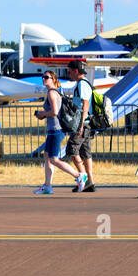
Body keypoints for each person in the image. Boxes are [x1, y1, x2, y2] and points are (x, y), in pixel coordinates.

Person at [33, 71, 83, 194]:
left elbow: (55, 112)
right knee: (47, 157)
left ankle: (78, 176)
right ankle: (47, 186)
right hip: (53, 129)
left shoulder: (51, 93)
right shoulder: (55, 92)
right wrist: (44, 115)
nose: (43, 79)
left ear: (53, 79)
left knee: (54, 159)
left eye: (46, 77)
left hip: (56, 129)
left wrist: (42, 114)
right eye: (43, 77)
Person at [63, 60, 95, 192]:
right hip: (86, 123)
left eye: (69, 71)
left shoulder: (82, 85)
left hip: (82, 123)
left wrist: (80, 125)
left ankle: (84, 179)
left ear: (76, 71)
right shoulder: (84, 83)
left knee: (71, 150)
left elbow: (85, 104)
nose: (68, 74)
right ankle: (90, 182)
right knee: (85, 152)